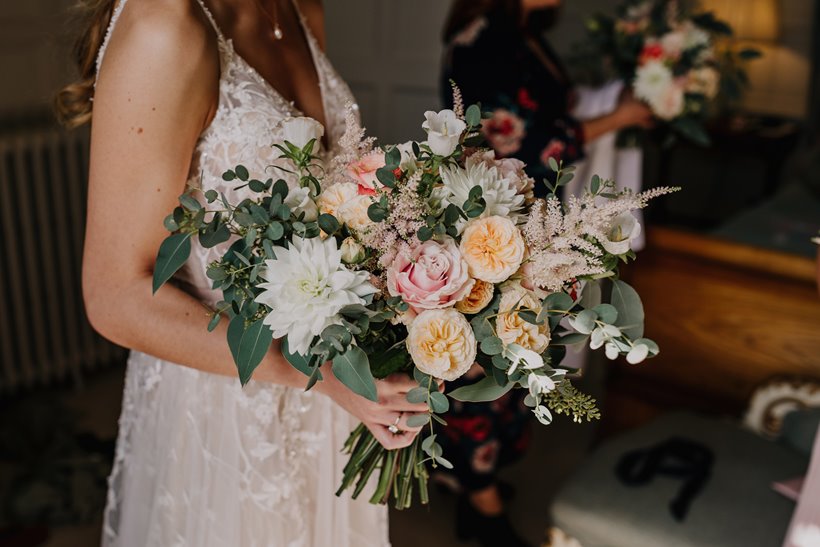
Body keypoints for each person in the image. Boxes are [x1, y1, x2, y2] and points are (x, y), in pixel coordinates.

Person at [55, 0, 428, 545]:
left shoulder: (299, 9)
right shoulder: (166, 27)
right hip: (226, 409)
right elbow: (114, 296)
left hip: (337, 398)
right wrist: (318, 376)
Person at [438, 2, 654, 546]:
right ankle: (478, 498)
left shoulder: (524, 35)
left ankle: (472, 477)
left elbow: (550, 110)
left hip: (529, 220)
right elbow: (522, 141)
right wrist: (620, 119)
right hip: (494, 220)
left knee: (521, 347)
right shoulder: (481, 42)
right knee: (485, 356)